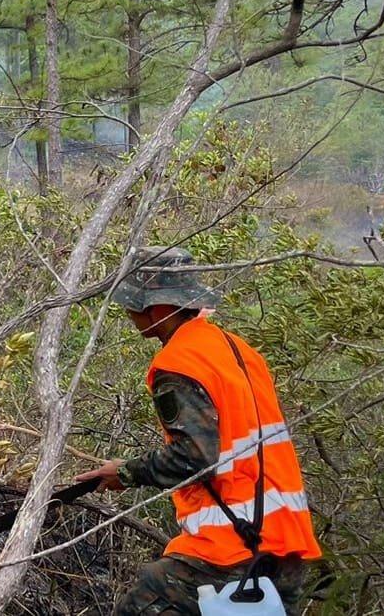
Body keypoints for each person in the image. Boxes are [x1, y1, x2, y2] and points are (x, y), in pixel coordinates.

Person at [76, 246, 322, 615]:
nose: (128, 313)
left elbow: (197, 457)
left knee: (145, 597)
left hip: (232, 549)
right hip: (285, 544)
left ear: (158, 309)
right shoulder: (236, 350)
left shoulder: (177, 364)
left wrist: (124, 472)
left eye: (133, 304)